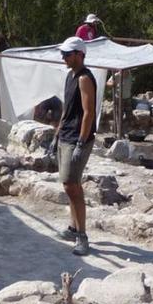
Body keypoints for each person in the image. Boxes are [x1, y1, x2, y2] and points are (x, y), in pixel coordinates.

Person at [55, 36, 97, 256]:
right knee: (68, 185)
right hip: (66, 135)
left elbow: (88, 112)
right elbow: (67, 108)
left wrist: (81, 142)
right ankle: (73, 227)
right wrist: (57, 132)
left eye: (67, 54)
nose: (63, 57)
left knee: (72, 185)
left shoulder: (84, 78)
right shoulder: (70, 76)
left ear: (80, 55)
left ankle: (82, 236)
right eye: (63, 53)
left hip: (77, 138)